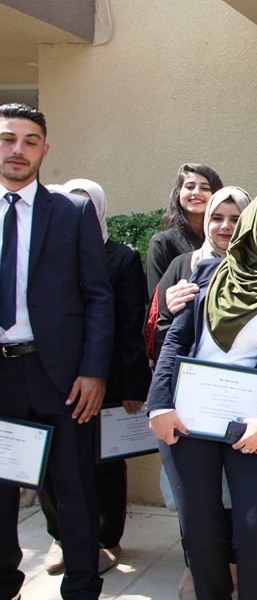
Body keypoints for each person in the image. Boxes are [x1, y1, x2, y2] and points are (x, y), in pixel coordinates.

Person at [148, 190, 257, 600]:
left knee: (256, 532)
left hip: (252, 423)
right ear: (252, 225)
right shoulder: (208, 272)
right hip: (188, 416)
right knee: (200, 531)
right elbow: (176, 341)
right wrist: (159, 404)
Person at [0, 104, 114, 600]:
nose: (17, 150)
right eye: (8, 139)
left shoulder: (71, 211)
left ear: (44, 151)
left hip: (62, 378)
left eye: (30, 141)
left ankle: (82, 586)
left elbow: (98, 296)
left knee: (73, 489)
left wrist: (94, 370)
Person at [38, 180, 150, 577]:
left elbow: (130, 326)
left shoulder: (121, 258)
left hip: (108, 377)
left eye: (85, 205)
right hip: (53, 376)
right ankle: (60, 536)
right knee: (49, 460)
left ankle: (106, 538)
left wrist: (134, 385)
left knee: (105, 465)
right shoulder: (48, 251)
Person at [155, 187, 251, 356]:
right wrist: (171, 308)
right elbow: (161, 323)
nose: (225, 226)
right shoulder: (182, 265)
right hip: (187, 365)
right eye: (217, 218)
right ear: (207, 221)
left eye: (235, 220)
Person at [146, 163, 223, 295]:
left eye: (205, 188)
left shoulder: (225, 239)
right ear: (178, 193)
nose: (196, 192)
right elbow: (157, 298)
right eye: (190, 187)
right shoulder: (162, 243)